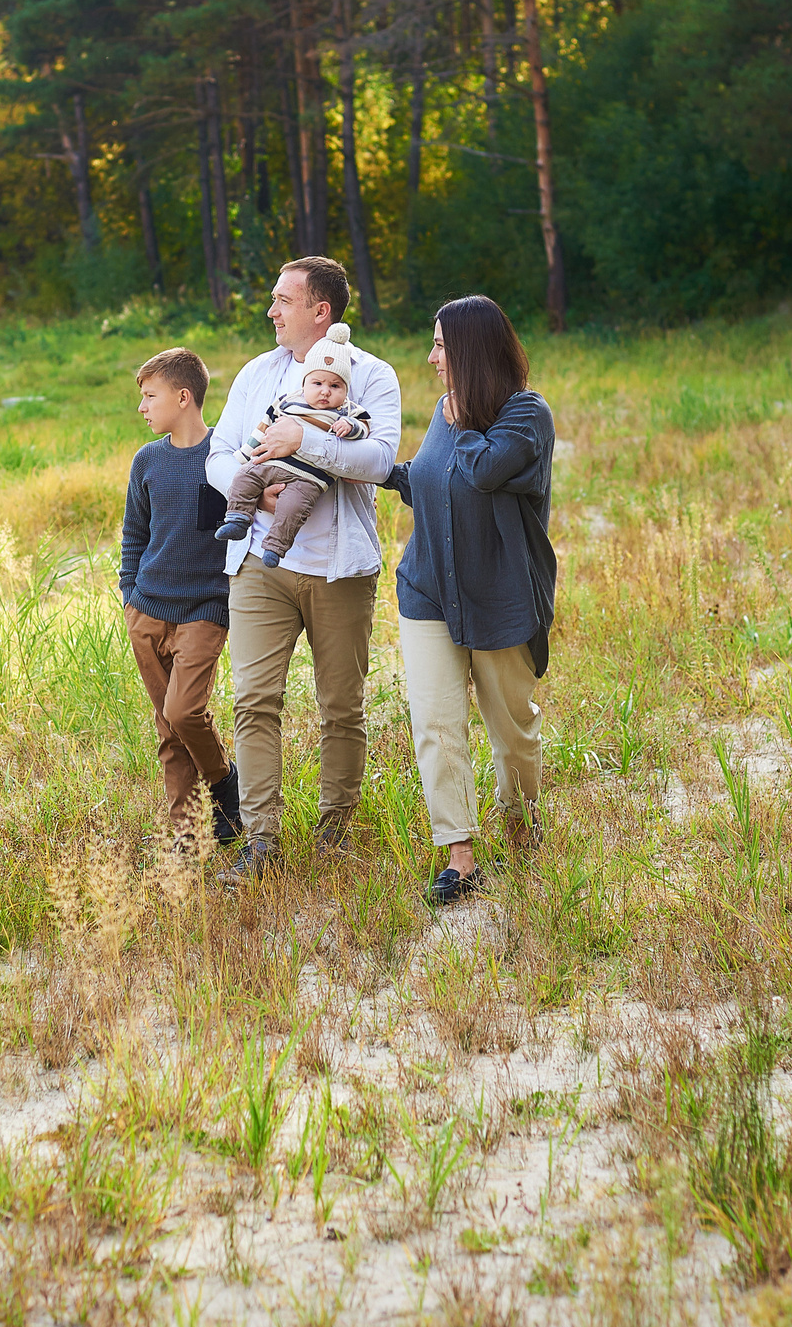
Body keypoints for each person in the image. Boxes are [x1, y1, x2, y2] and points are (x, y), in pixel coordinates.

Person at [203, 257, 402, 881]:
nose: (271, 310)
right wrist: (249, 486)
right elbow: (216, 452)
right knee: (254, 702)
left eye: (282, 300)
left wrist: (304, 444)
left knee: (341, 705)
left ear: (321, 311)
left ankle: (336, 829)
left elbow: (380, 459)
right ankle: (261, 840)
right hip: (258, 565)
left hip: (338, 570)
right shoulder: (256, 375)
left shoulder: (372, 376)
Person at [383, 296, 556, 907]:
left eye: (439, 346)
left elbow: (482, 472)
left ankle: (522, 828)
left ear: (472, 353)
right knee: (434, 723)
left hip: (500, 595)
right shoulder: (445, 410)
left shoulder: (525, 415)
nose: (431, 358)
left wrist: (462, 423)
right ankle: (459, 853)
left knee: (510, 730)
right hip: (428, 588)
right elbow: (428, 480)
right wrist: (361, 458)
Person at [121, 347, 243, 852]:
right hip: (148, 611)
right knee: (167, 731)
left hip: (204, 611)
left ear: (184, 397)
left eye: (151, 397)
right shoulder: (146, 461)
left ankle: (224, 783)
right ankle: (184, 835)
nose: (143, 407)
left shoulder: (222, 458)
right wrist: (130, 594)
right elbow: (135, 533)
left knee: (184, 712)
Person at [215, 324, 376, 568]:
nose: (325, 391)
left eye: (335, 386)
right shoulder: (288, 401)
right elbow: (263, 426)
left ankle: (275, 547)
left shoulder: (345, 411)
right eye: (317, 383)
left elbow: (364, 427)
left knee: (293, 507)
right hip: (271, 463)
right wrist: (244, 455)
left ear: (345, 389)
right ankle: (238, 517)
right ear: (305, 383)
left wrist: (350, 428)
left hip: (308, 479)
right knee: (245, 476)